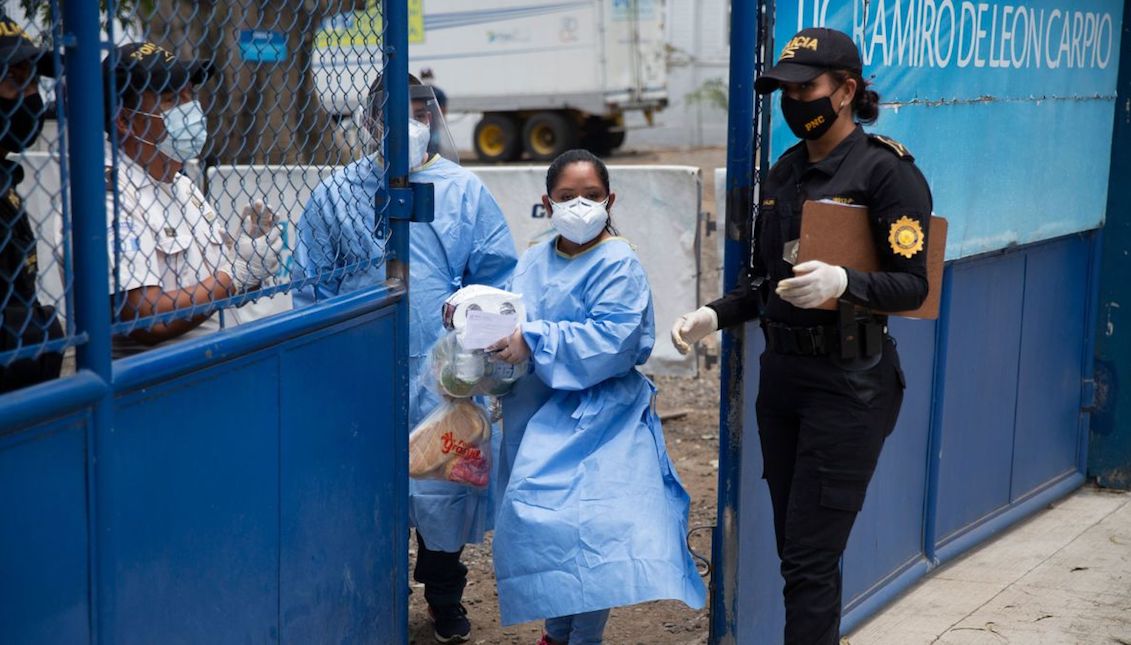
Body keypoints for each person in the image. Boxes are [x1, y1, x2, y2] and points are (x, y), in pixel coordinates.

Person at [671, 28, 932, 644]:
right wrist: (714, 314)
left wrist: (846, 282)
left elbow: (914, 286)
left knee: (810, 561)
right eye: (783, 91)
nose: (792, 102)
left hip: (849, 387)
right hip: (784, 384)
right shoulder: (784, 174)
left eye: (804, 88)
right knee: (798, 555)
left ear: (845, 91)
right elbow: (767, 283)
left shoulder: (885, 173)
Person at [292, 73, 517, 643]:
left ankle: (443, 596)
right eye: (398, 113)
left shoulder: (463, 191)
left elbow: (495, 278)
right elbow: (310, 284)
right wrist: (330, 364)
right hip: (359, 367)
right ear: (369, 122)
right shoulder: (335, 193)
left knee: (445, 486)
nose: (413, 124)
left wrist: (474, 348)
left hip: (445, 373)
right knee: (365, 487)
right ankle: (375, 593)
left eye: (423, 111)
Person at [489, 149, 706, 645]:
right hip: (537, 412)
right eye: (568, 197)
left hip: (599, 417)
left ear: (611, 200)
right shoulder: (533, 260)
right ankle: (555, 633)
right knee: (551, 531)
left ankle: (581, 638)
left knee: (594, 536)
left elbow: (613, 341)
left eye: (591, 196)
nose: (580, 205)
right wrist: (476, 320)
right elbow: (512, 319)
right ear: (548, 203)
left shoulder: (618, 263)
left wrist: (536, 339)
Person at [99, 42, 281, 358]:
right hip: (160, 388)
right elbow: (147, 318)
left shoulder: (182, 185)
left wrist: (249, 260)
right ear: (125, 121)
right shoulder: (108, 197)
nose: (189, 110)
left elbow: (218, 288)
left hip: (219, 371)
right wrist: (236, 275)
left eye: (189, 96)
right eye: (171, 100)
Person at [0, 15, 63, 392]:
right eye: (13, 80)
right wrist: (44, 330)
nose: (30, 97)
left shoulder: (7, 183)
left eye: (32, 80)